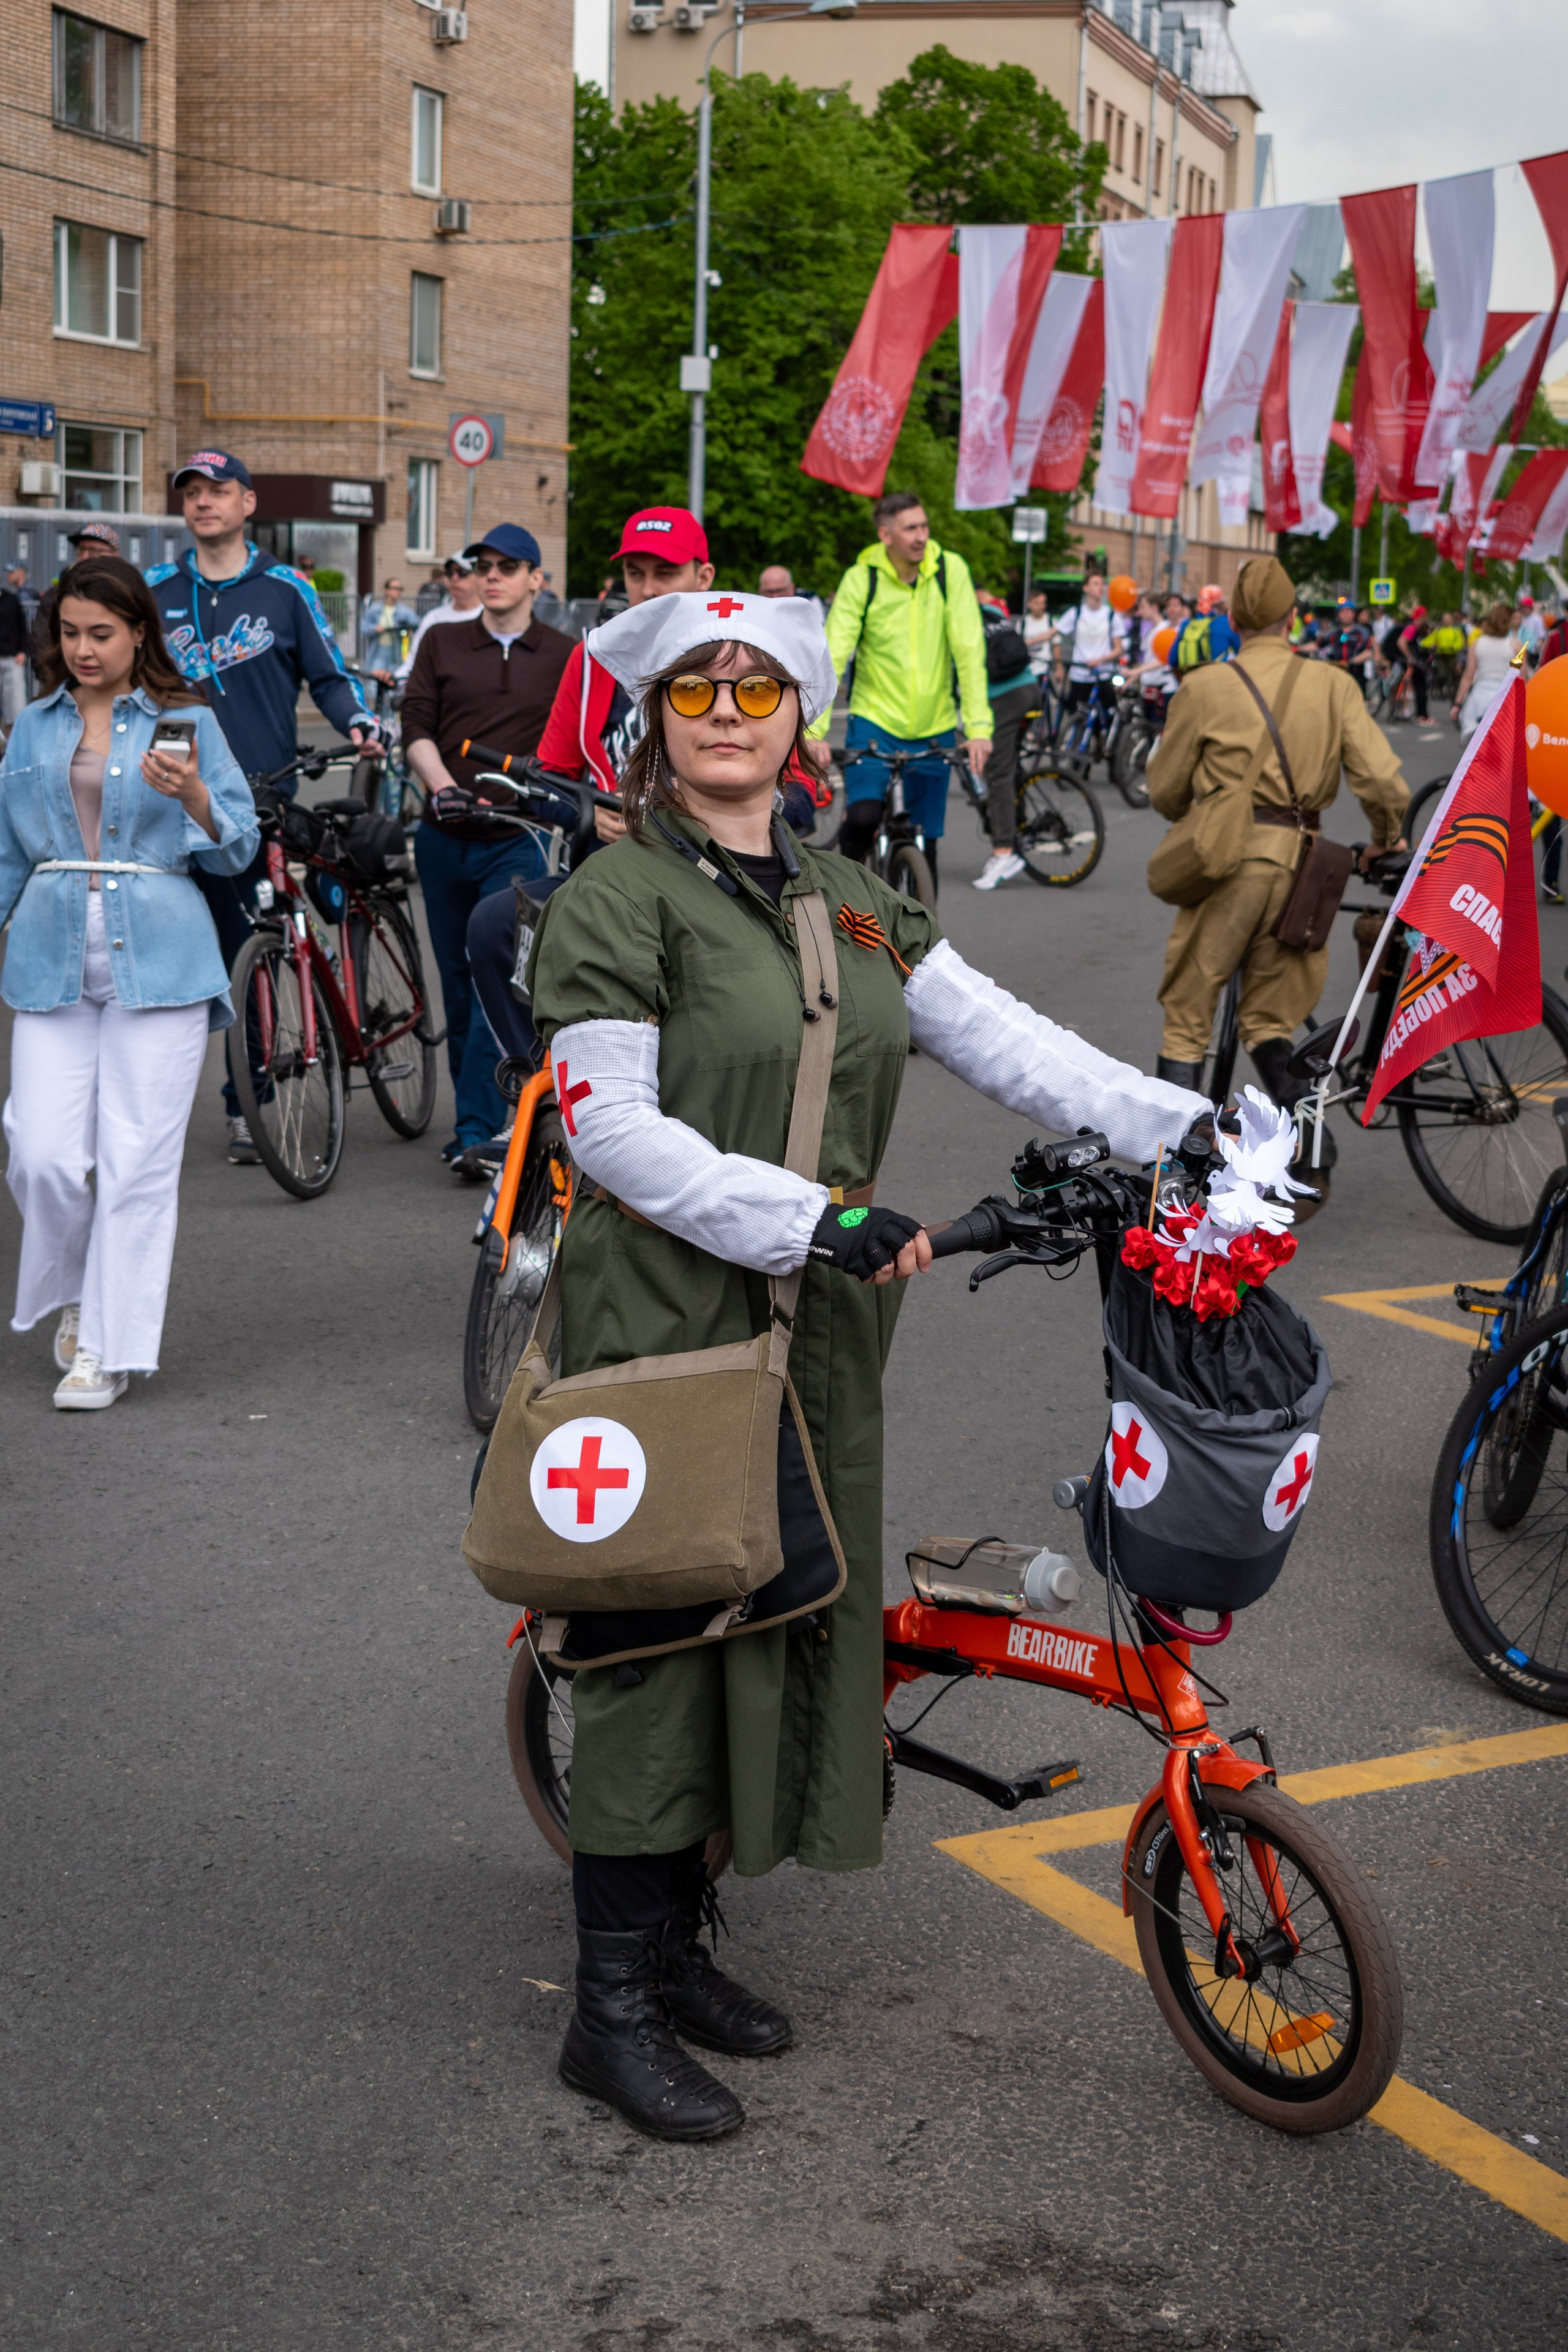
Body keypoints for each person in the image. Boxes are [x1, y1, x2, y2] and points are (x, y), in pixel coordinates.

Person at [522, 588, 1208, 2141]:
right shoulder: (618, 894)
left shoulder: (846, 894)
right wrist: (807, 1214)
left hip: (821, 1315)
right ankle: (607, 2010)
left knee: (772, 1606)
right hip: (669, 1319)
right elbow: (609, 1128)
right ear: (655, 716)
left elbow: (1008, 1041)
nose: (722, 707)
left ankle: (681, 1952)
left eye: (753, 686)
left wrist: (1193, 1127)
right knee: (653, 1643)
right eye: (692, 686)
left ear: (799, 720)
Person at [0, 558, 258, 1408]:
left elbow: (237, 847)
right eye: (69, 632)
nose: (82, 649)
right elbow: (9, 851)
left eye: (100, 634)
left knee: (137, 1162)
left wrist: (191, 798)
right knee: (40, 1154)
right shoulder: (34, 727)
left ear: (139, 632)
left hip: (164, 957)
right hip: (50, 958)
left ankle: (105, 1349)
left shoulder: (185, 721)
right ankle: (78, 1289)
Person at [146, 450, 382, 1162]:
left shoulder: (285, 589)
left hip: (259, 797)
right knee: (170, 952)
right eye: (192, 492)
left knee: (251, 942)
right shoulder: (154, 589)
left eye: (218, 491)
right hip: (169, 793)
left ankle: (246, 1097)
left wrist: (361, 726)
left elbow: (330, 679)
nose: (203, 502)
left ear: (248, 503)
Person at [1147, 554, 1409, 1177]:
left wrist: (1209, 803)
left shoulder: (1206, 684)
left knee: (1187, 1020)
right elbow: (1382, 784)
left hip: (1227, 865)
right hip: (1303, 872)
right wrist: (1383, 839)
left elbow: (1163, 792)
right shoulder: (1334, 684)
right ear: (1293, 618)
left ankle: (1177, 1176)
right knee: (1270, 1017)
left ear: (1233, 619)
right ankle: (1310, 1148)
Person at [401, 522, 573, 1173]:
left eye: (508, 565)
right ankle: (477, 1120)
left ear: (536, 578)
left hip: (518, 840)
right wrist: (441, 786)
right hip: (443, 834)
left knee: (493, 973)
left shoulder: (564, 654)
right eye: (483, 565)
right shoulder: (444, 641)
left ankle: (479, 1127)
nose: (492, 574)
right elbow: (415, 723)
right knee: (452, 981)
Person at [815, 493, 990, 895]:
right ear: (886, 534)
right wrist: (812, 733)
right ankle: (840, 901)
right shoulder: (863, 577)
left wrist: (978, 727)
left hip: (936, 726)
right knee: (862, 818)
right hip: (875, 721)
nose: (921, 536)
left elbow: (968, 651)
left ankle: (924, 942)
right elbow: (833, 654)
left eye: (924, 526)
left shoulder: (950, 571)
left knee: (925, 844)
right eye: (910, 528)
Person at [973, 592, 1038, 890]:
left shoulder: (960, 621)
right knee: (1008, 764)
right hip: (1030, 688)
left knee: (997, 772)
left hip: (1004, 698)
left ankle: (1004, 851)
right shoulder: (990, 610)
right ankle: (1020, 819)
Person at [395, 551, 482, 681]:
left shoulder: (490, 617)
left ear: (479, 575)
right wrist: (395, 681)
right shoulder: (434, 618)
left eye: (462, 572)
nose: (454, 578)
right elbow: (413, 663)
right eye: (449, 573)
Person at [1050, 568, 1125, 716]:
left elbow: (1119, 649)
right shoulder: (1076, 613)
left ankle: (1104, 737)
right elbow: (1054, 632)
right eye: (1096, 584)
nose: (1101, 587)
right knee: (1075, 713)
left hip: (1102, 675)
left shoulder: (1111, 616)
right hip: (1080, 674)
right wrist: (1029, 641)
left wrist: (1100, 659)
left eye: (1102, 584)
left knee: (1106, 716)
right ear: (1086, 588)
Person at [1453, 603, 1520, 742]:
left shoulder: (1477, 644)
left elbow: (1468, 677)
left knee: (1476, 747)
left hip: (1479, 698)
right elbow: (1522, 680)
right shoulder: (1515, 645)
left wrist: (1457, 704)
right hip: (1505, 700)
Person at [361, 576, 418, 685]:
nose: (398, 592)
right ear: (386, 590)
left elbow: (416, 623)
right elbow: (364, 628)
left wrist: (405, 626)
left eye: (400, 589)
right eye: (394, 588)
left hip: (397, 652)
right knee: (375, 682)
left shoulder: (405, 611)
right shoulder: (375, 609)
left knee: (394, 682)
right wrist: (375, 629)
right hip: (379, 651)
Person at [0, 567, 28, 738]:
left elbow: (23, 628)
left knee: (15, 708)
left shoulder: (11, 600)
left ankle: (13, 747)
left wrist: (24, 652)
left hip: (12, 659)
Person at [759, 564, 824, 622]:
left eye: (780, 591)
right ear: (761, 590)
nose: (775, 596)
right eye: (769, 592)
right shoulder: (756, 606)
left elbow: (818, 628)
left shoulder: (808, 600)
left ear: (792, 587)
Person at [1022, 582, 1052, 676]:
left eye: (1043, 603)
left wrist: (1059, 668)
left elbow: (1056, 646)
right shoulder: (1023, 623)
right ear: (1029, 604)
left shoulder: (1050, 621)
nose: (1041, 607)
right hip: (1027, 669)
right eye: (1037, 603)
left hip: (1044, 669)